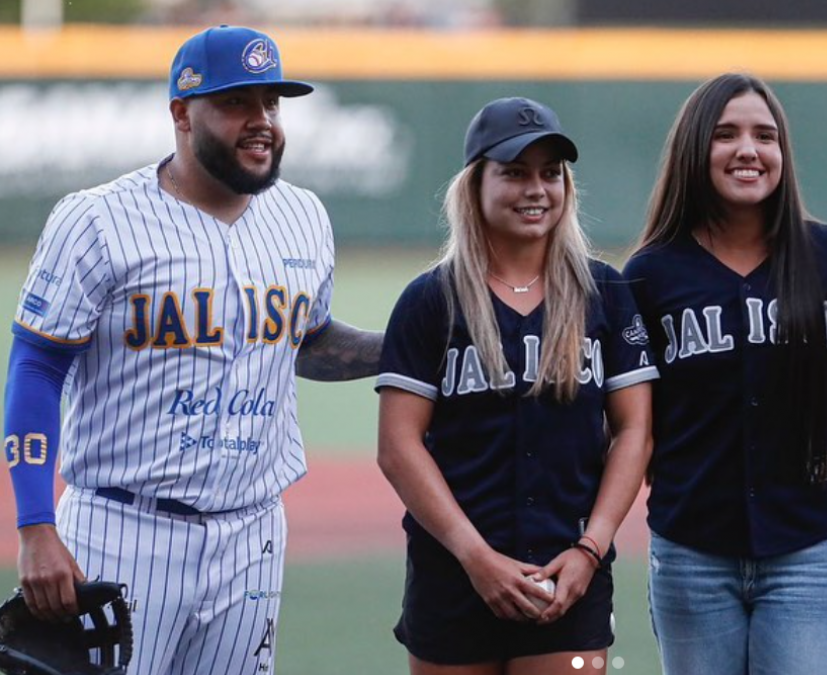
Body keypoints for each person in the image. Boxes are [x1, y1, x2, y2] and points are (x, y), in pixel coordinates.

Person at [3, 26, 382, 675]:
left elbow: (308, 341)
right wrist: (36, 525)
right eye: (238, 103)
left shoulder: (303, 217)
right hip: (122, 530)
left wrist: (408, 342)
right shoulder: (98, 220)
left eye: (271, 103)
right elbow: (37, 365)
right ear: (181, 112)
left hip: (253, 533)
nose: (261, 121)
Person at [623, 73, 827, 675]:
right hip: (692, 550)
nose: (748, 150)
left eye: (765, 135)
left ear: (783, 153)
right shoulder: (651, 273)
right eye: (725, 134)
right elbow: (629, 423)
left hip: (809, 548)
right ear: (694, 149)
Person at [375, 96, 656, 674]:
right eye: (514, 173)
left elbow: (634, 432)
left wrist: (590, 549)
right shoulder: (431, 300)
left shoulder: (605, 292)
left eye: (550, 173)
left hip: (568, 575)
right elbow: (398, 447)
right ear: (475, 186)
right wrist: (476, 557)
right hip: (452, 575)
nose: (537, 189)